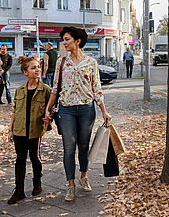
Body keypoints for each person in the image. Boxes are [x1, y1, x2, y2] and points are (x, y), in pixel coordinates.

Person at [44, 26, 112, 202]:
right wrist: (48, 108)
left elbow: (97, 89)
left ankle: (84, 176)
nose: (64, 43)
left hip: (86, 110)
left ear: (77, 41)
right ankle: (71, 185)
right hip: (66, 110)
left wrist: (104, 110)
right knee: (68, 147)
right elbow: (55, 88)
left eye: (67, 39)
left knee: (83, 146)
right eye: (63, 40)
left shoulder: (91, 63)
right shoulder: (61, 62)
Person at [7, 56, 51, 204]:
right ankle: (19, 191)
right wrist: (10, 129)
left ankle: (37, 182)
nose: (37, 70)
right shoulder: (19, 90)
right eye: (33, 68)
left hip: (35, 130)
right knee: (20, 160)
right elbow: (14, 111)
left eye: (38, 67)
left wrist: (49, 117)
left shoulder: (45, 90)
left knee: (35, 158)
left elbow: (51, 109)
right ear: (25, 72)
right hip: (19, 130)